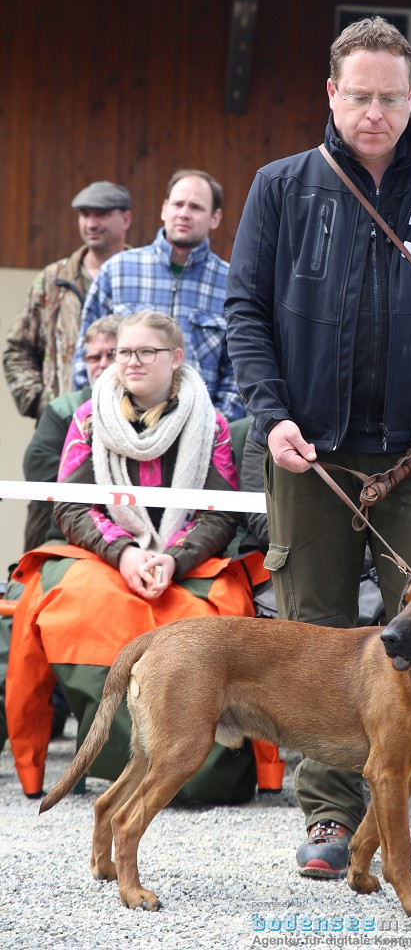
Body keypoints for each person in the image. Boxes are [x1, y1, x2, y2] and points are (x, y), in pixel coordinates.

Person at [225, 16, 411, 888]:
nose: (375, 111)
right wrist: (270, 416)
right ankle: (330, 815)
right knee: (313, 637)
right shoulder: (280, 187)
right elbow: (246, 316)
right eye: (359, 96)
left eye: (391, 96)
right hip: (307, 455)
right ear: (332, 96)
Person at [5, 311, 281, 801]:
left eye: (145, 352)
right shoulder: (88, 418)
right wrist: (125, 553)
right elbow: (71, 505)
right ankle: (111, 760)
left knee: (206, 615)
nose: (131, 361)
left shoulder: (211, 424)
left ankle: (205, 770)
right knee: (86, 604)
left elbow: (220, 514)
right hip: (108, 555)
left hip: (186, 559)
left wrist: (173, 557)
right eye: (123, 352)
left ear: (176, 359)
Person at [73, 169, 244, 422]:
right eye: (178, 204)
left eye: (196, 207)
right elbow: (85, 354)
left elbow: (239, 367)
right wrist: (98, 417)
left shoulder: (232, 282)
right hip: (121, 426)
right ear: (164, 209)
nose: (184, 213)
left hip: (199, 430)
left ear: (215, 218)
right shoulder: (117, 271)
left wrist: (216, 424)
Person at [3, 180, 131, 420]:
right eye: (84, 215)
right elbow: (17, 350)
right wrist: (43, 404)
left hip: (130, 422)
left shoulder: (142, 276)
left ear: (126, 219)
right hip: (65, 423)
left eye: (101, 214)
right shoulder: (53, 279)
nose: (91, 224)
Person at [21, 316, 121, 553]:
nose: (103, 364)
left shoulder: (152, 410)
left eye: (112, 355)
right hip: (67, 534)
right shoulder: (64, 409)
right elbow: (38, 468)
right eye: (94, 357)